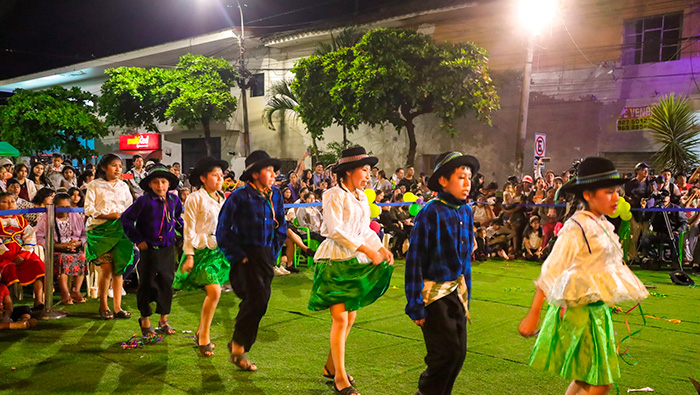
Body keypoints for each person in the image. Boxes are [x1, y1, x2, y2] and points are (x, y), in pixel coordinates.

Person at [519, 157, 650, 395]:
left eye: (617, 192)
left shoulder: (600, 223)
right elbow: (552, 269)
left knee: (585, 377)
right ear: (588, 195)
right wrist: (533, 314)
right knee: (601, 381)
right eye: (609, 192)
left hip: (598, 311)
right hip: (581, 313)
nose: (616, 198)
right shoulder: (575, 227)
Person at [307, 147, 393, 395]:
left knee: (350, 316)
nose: (369, 175)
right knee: (341, 317)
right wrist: (368, 250)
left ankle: (331, 367)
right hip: (334, 260)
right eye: (364, 170)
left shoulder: (362, 197)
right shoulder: (333, 194)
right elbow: (335, 230)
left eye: (369, 170)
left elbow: (363, 228)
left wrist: (379, 247)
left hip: (353, 259)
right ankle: (340, 378)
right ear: (348, 172)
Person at [405, 151, 478, 395]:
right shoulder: (431, 212)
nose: (467, 183)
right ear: (443, 181)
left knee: (458, 354)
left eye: (469, 178)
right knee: (443, 355)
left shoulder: (466, 212)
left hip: (457, 293)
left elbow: (465, 260)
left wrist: (466, 293)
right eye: (461, 177)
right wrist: (414, 304)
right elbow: (414, 259)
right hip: (433, 295)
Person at [216, 150, 287, 371]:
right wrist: (239, 255)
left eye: (274, 171)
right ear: (255, 174)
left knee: (259, 302)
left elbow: (281, 226)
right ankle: (239, 348)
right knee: (257, 299)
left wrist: (273, 252)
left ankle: (238, 346)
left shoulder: (275, 195)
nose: (274, 174)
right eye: (269, 170)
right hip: (245, 256)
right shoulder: (239, 197)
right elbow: (222, 230)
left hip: (265, 255)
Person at [173, 157, 231, 357]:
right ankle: (203, 335)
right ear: (203, 178)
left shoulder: (222, 199)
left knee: (215, 292)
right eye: (215, 175)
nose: (220, 179)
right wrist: (188, 255)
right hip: (199, 250)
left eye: (221, 175)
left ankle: (201, 333)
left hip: (217, 252)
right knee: (214, 291)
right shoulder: (194, 198)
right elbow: (188, 229)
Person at [122, 164, 183, 336]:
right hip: (149, 249)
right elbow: (126, 220)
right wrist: (138, 239)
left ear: (169, 184)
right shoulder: (143, 201)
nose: (160, 185)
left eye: (163, 182)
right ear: (149, 185)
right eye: (156, 182)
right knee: (147, 283)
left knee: (166, 282)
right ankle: (145, 319)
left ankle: (163, 320)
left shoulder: (174, 200)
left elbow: (178, 219)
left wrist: (185, 233)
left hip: (167, 249)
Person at [84, 154, 135, 320]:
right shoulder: (94, 185)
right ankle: (103, 305)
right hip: (100, 231)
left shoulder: (124, 186)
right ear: (104, 167)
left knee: (119, 269)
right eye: (114, 165)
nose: (118, 169)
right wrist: (107, 215)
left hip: (120, 230)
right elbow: (88, 209)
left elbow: (129, 208)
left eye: (120, 166)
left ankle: (118, 307)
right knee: (106, 270)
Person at [35, 193, 88, 305]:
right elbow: (39, 238)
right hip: (54, 249)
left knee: (82, 257)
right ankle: (65, 293)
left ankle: (75, 291)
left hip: (73, 248)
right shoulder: (46, 218)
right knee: (63, 259)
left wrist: (79, 243)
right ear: (54, 206)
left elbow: (84, 234)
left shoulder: (75, 216)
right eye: (61, 207)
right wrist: (58, 246)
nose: (64, 210)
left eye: (67, 207)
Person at [0, 192, 46, 310]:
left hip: (22, 253)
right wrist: (12, 257)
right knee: (8, 268)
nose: (10, 204)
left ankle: (38, 300)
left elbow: (30, 236)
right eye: (5, 202)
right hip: (5, 254)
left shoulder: (21, 220)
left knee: (37, 264)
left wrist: (24, 254)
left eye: (13, 201)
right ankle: (9, 303)